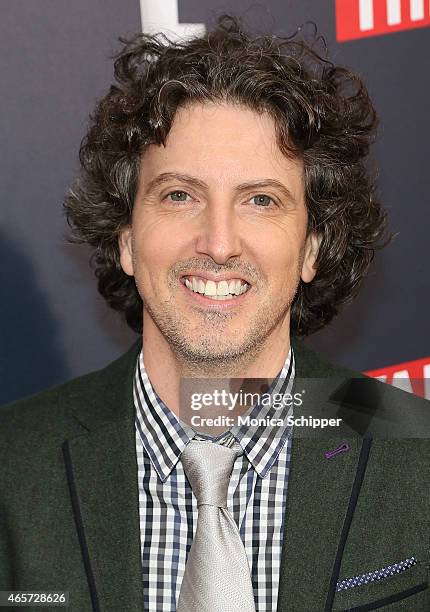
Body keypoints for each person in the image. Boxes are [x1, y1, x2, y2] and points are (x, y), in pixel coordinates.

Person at [1, 15, 429, 612]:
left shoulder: (420, 455)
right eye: (180, 195)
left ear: (312, 247)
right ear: (124, 236)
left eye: (260, 200)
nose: (220, 242)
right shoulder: (11, 464)